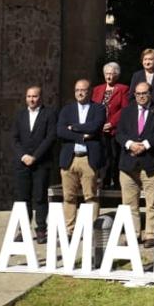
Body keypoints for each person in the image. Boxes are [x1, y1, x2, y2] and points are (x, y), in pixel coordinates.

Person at [116, 81, 154, 247]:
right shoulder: (127, 111)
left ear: (150, 93)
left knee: (152, 203)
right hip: (128, 164)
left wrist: (145, 145)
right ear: (134, 95)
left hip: (151, 164)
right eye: (138, 94)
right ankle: (133, 234)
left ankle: (150, 234)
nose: (141, 96)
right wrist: (129, 144)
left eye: (144, 93)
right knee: (129, 204)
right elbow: (119, 133)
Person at [57, 78, 106, 235]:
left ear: (90, 91)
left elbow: (95, 127)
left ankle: (92, 231)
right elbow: (61, 131)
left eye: (83, 90)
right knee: (69, 197)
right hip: (69, 159)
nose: (80, 92)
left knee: (90, 197)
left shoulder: (98, 109)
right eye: (77, 90)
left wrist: (74, 128)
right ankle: (69, 231)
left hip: (88, 158)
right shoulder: (67, 110)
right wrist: (82, 136)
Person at [12, 85, 55, 244]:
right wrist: (23, 156)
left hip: (41, 163)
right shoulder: (20, 115)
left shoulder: (49, 114)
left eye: (34, 96)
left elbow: (50, 137)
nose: (31, 99)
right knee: (23, 198)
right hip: (22, 163)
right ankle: (23, 230)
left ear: (40, 97)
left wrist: (35, 157)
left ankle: (42, 229)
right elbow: (14, 139)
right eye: (29, 96)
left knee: (40, 197)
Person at [91, 61, 130, 189]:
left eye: (112, 74)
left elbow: (124, 109)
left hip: (114, 129)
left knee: (113, 155)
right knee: (101, 155)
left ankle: (115, 181)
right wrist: (98, 123)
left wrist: (111, 123)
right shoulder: (97, 89)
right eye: (107, 73)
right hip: (99, 128)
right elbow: (93, 108)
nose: (109, 76)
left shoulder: (123, 89)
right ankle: (102, 181)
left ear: (117, 75)